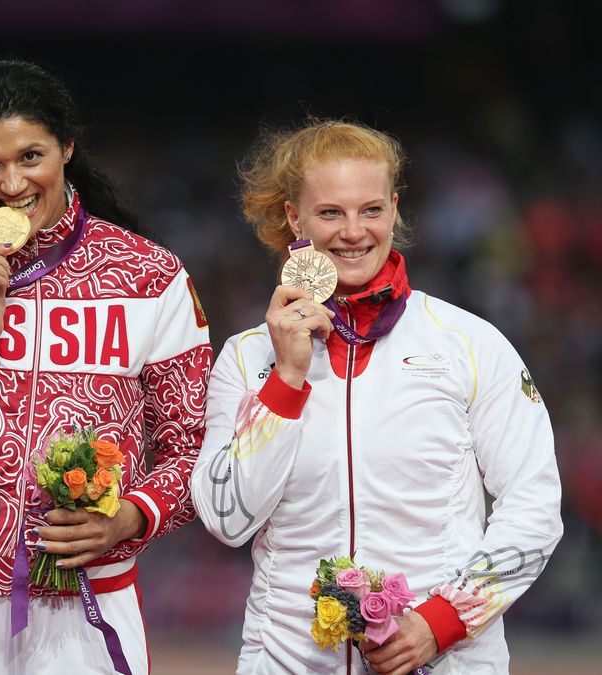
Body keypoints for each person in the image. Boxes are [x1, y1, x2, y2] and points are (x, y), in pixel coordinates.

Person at [0, 59, 212, 674]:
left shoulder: (149, 276)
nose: (11, 182)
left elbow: (195, 451)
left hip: (87, 597)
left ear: (67, 148)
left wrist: (130, 517)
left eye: (31, 156)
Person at [190, 119, 562, 674]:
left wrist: (441, 622)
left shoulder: (469, 343)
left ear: (394, 209)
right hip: (287, 661)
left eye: (371, 209)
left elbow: (535, 510)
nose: (353, 232)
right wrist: (286, 380)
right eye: (330, 213)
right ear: (294, 217)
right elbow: (227, 518)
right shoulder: (248, 359)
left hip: (445, 660)